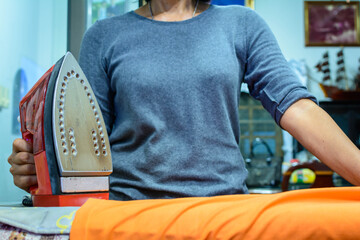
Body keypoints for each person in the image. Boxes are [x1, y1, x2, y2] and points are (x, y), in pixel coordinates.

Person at [8, 0, 360, 201]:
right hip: (129, 213)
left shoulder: (242, 24)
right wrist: (39, 168)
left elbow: (296, 108)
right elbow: (84, 149)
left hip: (221, 215)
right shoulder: (104, 36)